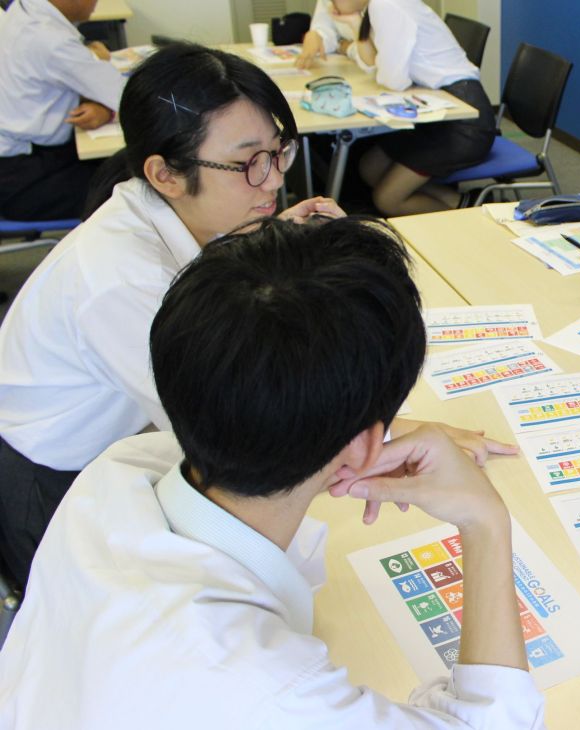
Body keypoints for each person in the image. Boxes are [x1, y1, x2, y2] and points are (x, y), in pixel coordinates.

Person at [0, 217, 546, 729]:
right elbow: (493, 719)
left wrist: (331, 448)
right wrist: (485, 520)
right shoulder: (266, 689)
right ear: (366, 444)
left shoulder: (118, 469)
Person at [0, 42, 506, 589]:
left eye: (278, 151)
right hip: (54, 480)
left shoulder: (169, 211)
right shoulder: (120, 281)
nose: (271, 180)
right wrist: (396, 431)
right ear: (165, 173)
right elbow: (236, 420)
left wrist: (272, 242)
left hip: (123, 441)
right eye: (246, 163)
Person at [295, 0, 495, 215]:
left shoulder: (385, 5)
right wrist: (355, 26)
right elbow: (374, 66)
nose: (329, 4)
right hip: (436, 108)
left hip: (464, 121)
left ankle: (472, 218)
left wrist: (359, 37)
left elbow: (393, 81)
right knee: (370, 168)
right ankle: (463, 202)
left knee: (387, 200)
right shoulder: (374, 8)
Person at [0, 0, 125, 220]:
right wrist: (109, 109)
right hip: (24, 177)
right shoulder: (50, 39)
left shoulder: (22, 10)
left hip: (21, 160)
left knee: (122, 166)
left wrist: (103, 107)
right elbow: (127, 96)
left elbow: (76, 77)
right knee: (135, 190)